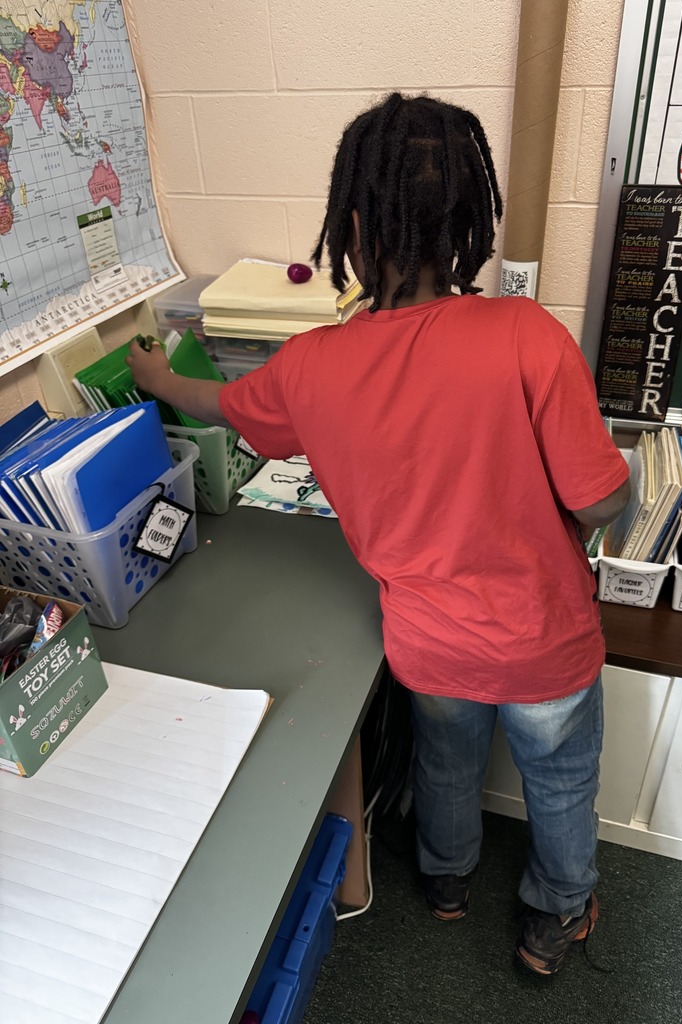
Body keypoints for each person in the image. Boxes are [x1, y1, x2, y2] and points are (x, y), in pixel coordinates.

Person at [127, 92, 631, 978]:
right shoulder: (528, 335)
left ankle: (443, 882)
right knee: (559, 784)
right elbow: (599, 504)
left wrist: (159, 375)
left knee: (444, 764)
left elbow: (225, 406)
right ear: (468, 223)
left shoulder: (313, 365)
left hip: (429, 645)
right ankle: (554, 916)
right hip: (543, 637)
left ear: (354, 228)